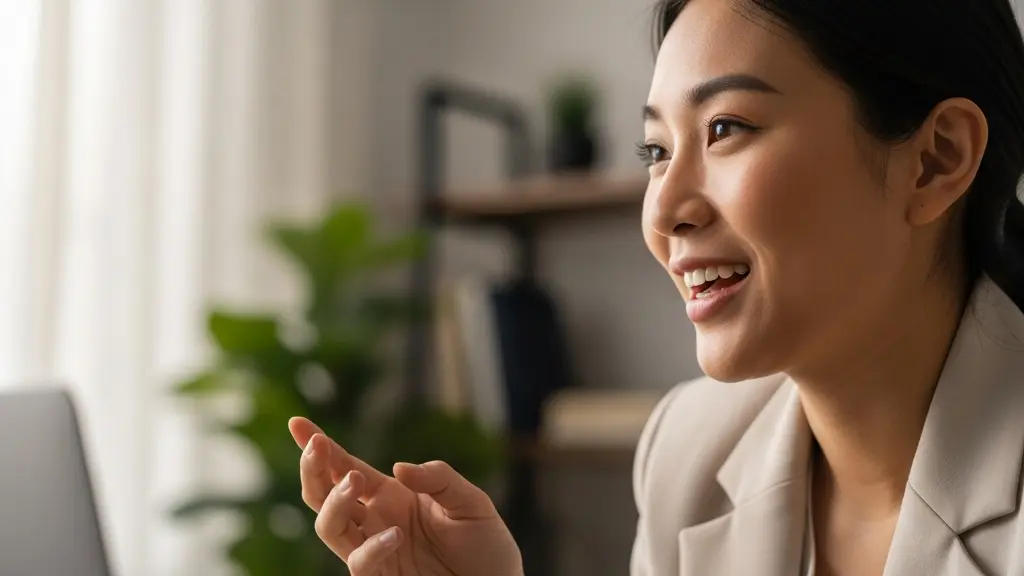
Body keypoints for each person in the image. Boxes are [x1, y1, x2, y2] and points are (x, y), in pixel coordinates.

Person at [288, 0, 1024, 573]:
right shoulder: (688, 452)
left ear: (936, 159)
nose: (664, 211)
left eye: (726, 128)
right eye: (656, 151)